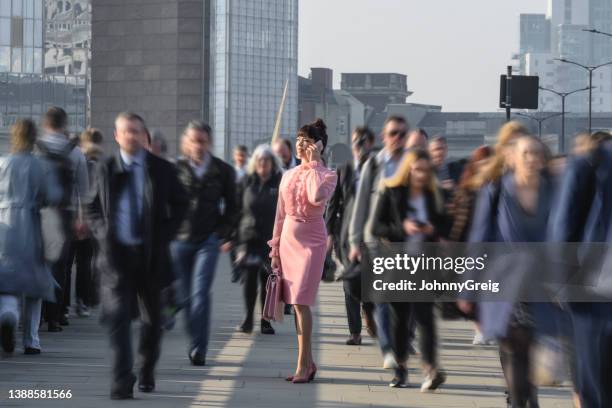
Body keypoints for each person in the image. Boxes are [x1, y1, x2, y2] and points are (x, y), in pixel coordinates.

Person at [88, 112, 189, 399]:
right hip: (116, 258)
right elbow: (94, 207)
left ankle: (146, 368)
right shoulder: (105, 168)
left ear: (144, 136)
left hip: (151, 258)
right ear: (117, 136)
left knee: (153, 321)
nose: (132, 136)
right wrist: (101, 230)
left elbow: (182, 204)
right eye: (126, 131)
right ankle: (122, 380)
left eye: (136, 131)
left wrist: (165, 234)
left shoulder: (162, 169)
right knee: (118, 319)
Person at [470, 134, 553, 408]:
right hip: (506, 282)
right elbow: (479, 240)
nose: (532, 158)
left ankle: (529, 398)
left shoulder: (554, 191)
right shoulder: (496, 191)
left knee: (531, 349)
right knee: (515, 347)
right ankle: (519, 402)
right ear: (512, 158)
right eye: (526, 153)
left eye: (537, 153)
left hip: (542, 285)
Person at [371, 149, 447, 391]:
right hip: (399, 265)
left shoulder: (433, 196)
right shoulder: (392, 193)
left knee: (426, 319)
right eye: (417, 170)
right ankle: (401, 369)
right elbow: (376, 227)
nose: (422, 175)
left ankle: (430, 369)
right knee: (401, 321)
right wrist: (402, 227)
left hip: (425, 266)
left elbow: (444, 225)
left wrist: (431, 230)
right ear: (408, 169)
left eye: (426, 171)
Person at [268, 118, 337, 383]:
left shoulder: (327, 175)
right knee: (296, 304)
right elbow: (280, 215)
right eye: (298, 139)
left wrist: (315, 163)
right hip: (288, 241)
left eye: (307, 140)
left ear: (319, 145)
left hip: (312, 241)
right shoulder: (287, 175)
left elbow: (315, 196)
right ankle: (307, 362)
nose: (300, 144)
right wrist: (274, 249)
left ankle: (302, 365)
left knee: (301, 302)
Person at [549, 132, 612, 408]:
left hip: (595, 298)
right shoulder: (592, 162)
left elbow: (562, 230)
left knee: (596, 391)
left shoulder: (591, 161)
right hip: (595, 295)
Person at [171, 120, 237, 367]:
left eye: (202, 141)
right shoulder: (175, 169)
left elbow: (233, 207)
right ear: (186, 142)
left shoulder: (222, 171)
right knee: (185, 297)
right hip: (179, 240)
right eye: (193, 140)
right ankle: (193, 335)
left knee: (200, 294)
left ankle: (199, 348)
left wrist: (223, 233)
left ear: (209, 142)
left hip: (207, 240)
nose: (197, 145)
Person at [348, 115, 408, 369]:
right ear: (384, 137)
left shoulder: (413, 164)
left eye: (402, 134)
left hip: (407, 243)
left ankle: (399, 344)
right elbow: (360, 204)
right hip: (377, 241)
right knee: (383, 298)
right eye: (393, 133)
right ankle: (388, 350)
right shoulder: (373, 165)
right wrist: (354, 241)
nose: (398, 138)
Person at [0, 119, 62, 355]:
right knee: (35, 282)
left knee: (6, 278)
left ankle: (8, 314)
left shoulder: (2, 163)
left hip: (4, 225)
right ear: (34, 137)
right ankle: (31, 340)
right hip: (31, 224)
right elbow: (53, 195)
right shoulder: (41, 165)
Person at [37, 106, 89, 332]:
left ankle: (38, 314)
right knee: (62, 265)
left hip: (40, 211)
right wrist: (81, 218)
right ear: (65, 124)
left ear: (46, 124)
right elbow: (84, 191)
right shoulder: (76, 152)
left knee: (40, 262)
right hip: (66, 212)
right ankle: (57, 315)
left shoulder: (36, 148)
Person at [326, 126, 376, 345]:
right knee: (349, 282)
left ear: (370, 144)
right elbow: (333, 204)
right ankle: (354, 332)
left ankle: (370, 314)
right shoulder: (343, 171)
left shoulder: (378, 170)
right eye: (355, 140)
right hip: (345, 237)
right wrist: (329, 234)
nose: (359, 145)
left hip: (371, 236)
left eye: (363, 141)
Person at [446, 145, 493, 345]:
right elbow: (457, 221)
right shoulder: (467, 190)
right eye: (482, 163)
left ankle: (487, 327)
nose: (485, 167)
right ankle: (481, 329)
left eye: (489, 163)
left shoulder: (500, 188)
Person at [234, 145, 283, 335]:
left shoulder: (279, 182)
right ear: (255, 162)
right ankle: (247, 319)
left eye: (267, 160)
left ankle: (265, 320)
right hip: (248, 239)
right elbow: (237, 209)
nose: (263, 164)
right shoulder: (246, 181)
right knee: (249, 280)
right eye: (260, 160)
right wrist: (236, 241)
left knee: (267, 281)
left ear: (272, 163)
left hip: (270, 240)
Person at [64, 128, 105, 317]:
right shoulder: (98, 164)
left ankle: (63, 304)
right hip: (89, 219)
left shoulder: (73, 159)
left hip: (71, 215)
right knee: (85, 262)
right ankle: (84, 301)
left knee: (66, 262)